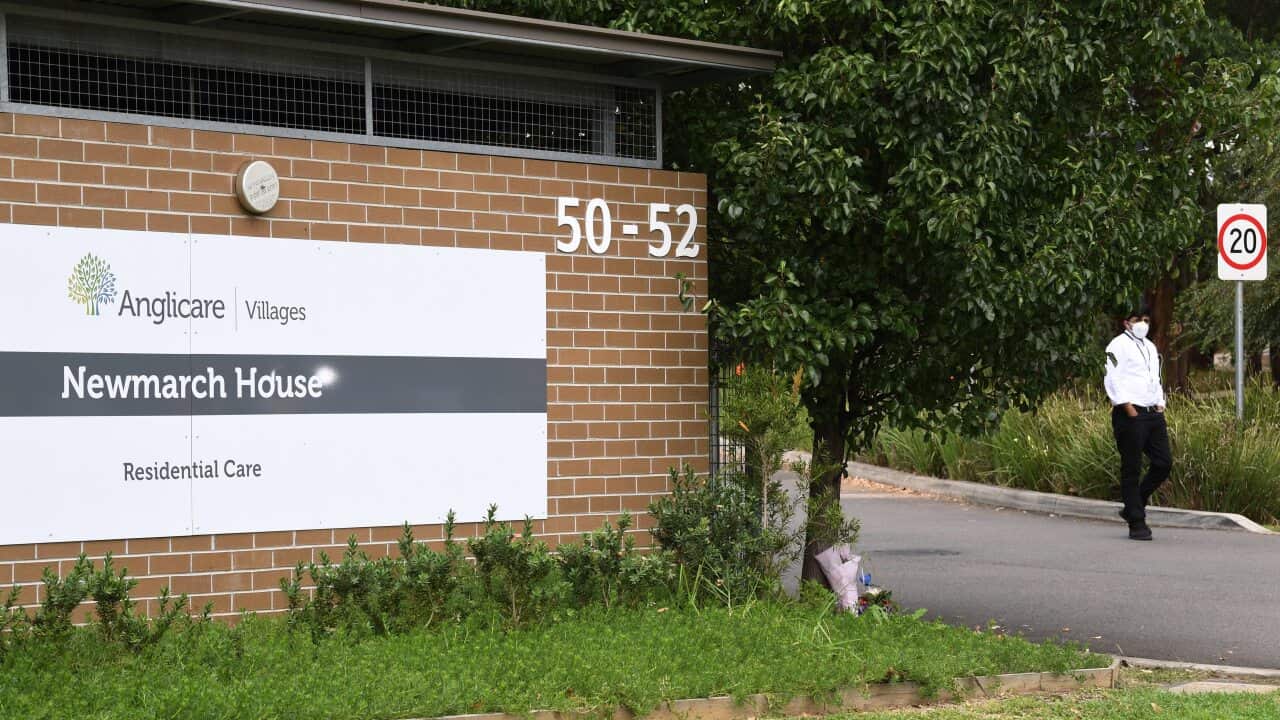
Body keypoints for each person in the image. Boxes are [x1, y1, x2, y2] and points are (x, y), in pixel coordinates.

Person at [1103, 306, 1172, 541]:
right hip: (1130, 414)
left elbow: (1155, 377)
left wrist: (1160, 402)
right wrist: (1127, 407)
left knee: (1163, 463)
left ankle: (1134, 504)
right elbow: (1111, 378)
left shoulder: (1150, 347)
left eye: (1145, 319)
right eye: (1137, 320)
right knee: (1131, 467)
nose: (1142, 323)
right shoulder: (1117, 346)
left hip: (1153, 413)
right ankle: (1136, 522)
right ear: (1126, 323)